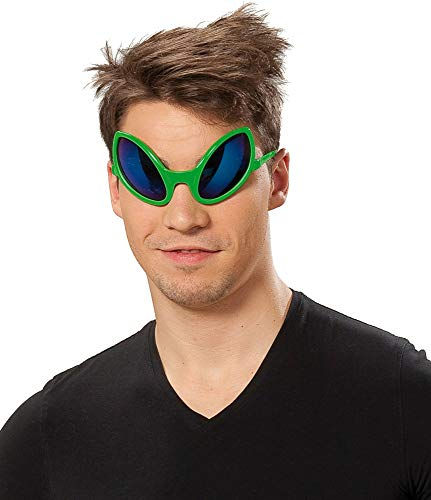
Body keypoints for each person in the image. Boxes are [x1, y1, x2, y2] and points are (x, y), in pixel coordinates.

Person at [1, 3, 430, 499]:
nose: (184, 217)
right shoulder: (49, 437)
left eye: (219, 173)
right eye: (147, 176)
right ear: (117, 191)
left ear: (277, 180)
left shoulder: (404, 404)